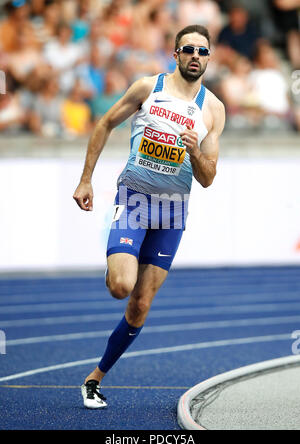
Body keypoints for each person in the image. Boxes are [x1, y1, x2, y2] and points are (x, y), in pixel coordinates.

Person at [73, 24, 225, 409]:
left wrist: (193, 151)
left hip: (173, 212)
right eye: (188, 49)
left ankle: (94, 378)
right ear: (175, 54)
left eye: (202, 51)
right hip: (136, 200)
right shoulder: (148, 88)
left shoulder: (213, 109)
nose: (195, 56)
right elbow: (105, 123)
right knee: (120, 287)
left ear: (208, 58)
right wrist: (86, 179)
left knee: (139, 305)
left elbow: (207, 178)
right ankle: (116, 260)